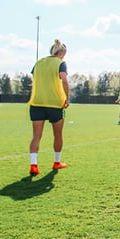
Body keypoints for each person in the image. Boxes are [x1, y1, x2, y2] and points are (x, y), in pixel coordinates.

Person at [28, 38, 70, 176]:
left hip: (37, 102)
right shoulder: (60, 63)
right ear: (62, 53)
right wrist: (67, 98)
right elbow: (64, 80)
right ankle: (57, 162)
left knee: (36, 136)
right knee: (57, 134)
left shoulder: (38, 63)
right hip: (55, 103)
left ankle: (33, 165)